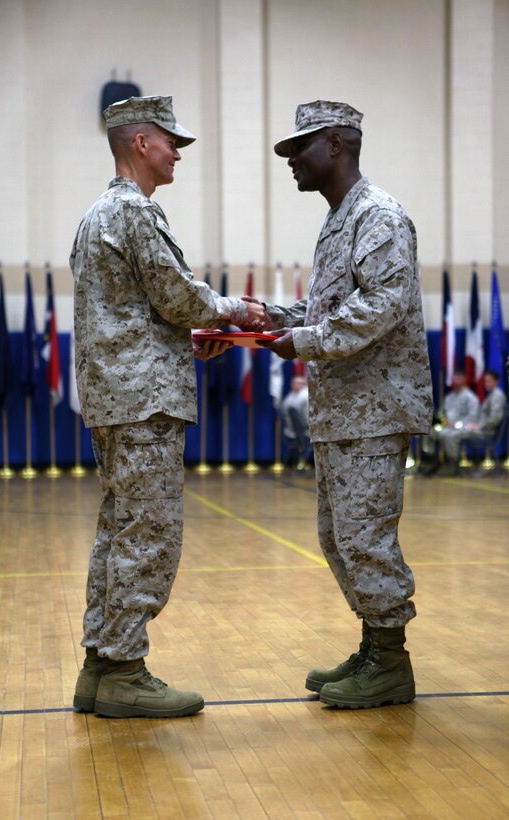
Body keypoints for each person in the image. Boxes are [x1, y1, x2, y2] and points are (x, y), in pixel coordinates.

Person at [70, 95, 266, 719]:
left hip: (115, 397)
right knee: (148, 534)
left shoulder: (95, 214)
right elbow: (178, 295)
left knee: (118, 530)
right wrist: (236, 310)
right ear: (138, 144)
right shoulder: (135, 213)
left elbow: (135, 314)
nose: (178, 150)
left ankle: (100, 665)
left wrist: (182, 342)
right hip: (145, 401)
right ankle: (125, 671)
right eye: (169, 139)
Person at [258, 100, 433, 709]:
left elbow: (381, 307)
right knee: (340, 537)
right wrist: (267, 322)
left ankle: (391, 662)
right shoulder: (338, 223)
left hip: (376, 411)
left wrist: (303, 339)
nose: (291, 161)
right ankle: (372, 646)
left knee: (365, 537)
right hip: (342, 413)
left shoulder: (378, 217)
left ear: (336, 143)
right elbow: (326, 316)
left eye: (298, 148)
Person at [420, 369, 479, 475]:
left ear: (464, 380)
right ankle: (433, 460)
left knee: (449, 435)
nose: (456, 381)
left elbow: (473, 417)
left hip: (465, 427)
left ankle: (452, 463)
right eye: (454, 378)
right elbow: (441, 413)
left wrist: (456, 424)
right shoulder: (449, 397)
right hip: (447, 426)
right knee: (429, 432)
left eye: (459, 378)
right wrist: (442, 421)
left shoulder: (470, 397)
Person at [280, 374, 310, 468]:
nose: (299, 385)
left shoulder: (304, 396)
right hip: (292, 430)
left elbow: (306, 416)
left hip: (304, 431)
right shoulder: (290, 396)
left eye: (301, 383)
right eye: (297, 383)